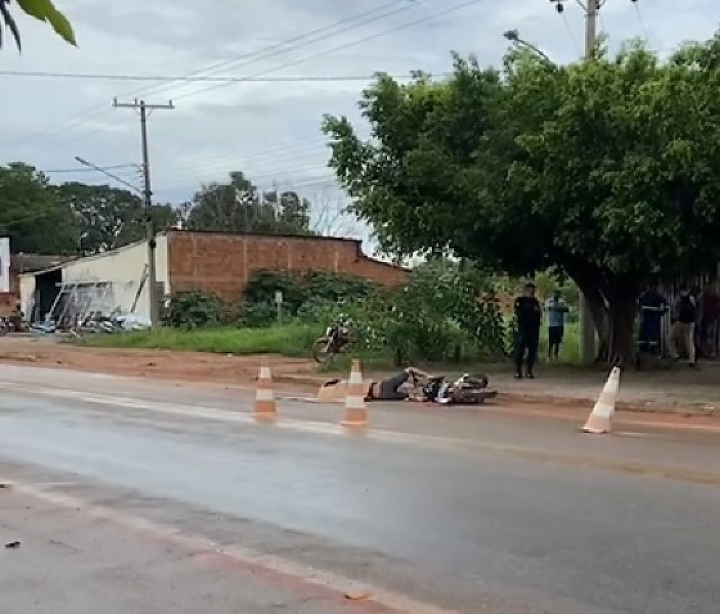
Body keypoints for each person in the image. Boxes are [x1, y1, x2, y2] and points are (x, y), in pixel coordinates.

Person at [513, 282, 542, 379]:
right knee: (520, 350)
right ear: (525, 290)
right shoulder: (520, 300)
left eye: (533, 290)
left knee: (532, 351)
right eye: (529, 290)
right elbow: (518, 312)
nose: (531, 292)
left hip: (533, 329)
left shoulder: (535, 301)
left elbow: (538, 315)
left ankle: (529, 370)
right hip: (522, 328)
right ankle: (518, 371)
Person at [364, 367, 430, 401]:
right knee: (409, 370)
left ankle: (424, 394)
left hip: (381, 394)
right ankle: (428, 377)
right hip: (382, 388)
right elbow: (370, 381)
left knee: (408, 395)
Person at [670, 287, 698, 367]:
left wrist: (674, 319)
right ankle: (692, 360)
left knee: (670, 338)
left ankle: (674, 355)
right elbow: (695, 309)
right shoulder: (692, 298)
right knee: (689, 342)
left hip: (681, 322)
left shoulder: (678, 298)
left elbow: (676, 311)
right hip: (690, 323)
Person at [638, 285, 668, 356]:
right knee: (644, 335)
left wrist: (659, 313)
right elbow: (639, 304)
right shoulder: (645, 295)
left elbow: (666, 306)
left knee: (652, 335)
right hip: (647, 318)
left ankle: (652, 350)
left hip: (652, 319)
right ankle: (645, 350)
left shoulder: (657, 296)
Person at [545, 290, 569, 361]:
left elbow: (566, 309)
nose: (556, 295)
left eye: (557, 294)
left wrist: (557, 308)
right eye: (555, 294)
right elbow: (546, 308)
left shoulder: (562, 301)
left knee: (558, 341)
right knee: (551, 341)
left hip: (560, 324)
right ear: (553, 294)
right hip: (551, 324)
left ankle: (556, 355)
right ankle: (549, 356)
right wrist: (559, 308)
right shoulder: (549, 301)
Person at [700, 283, 720, 359]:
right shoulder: (705, 297)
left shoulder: (713, 297)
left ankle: (711, 352)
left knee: (710, 335)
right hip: (707, 318)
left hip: (711, 318)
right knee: (708, 335)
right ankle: (709, 352)